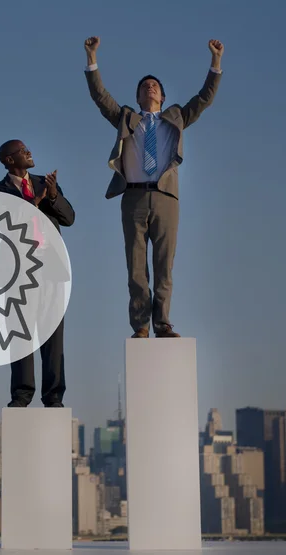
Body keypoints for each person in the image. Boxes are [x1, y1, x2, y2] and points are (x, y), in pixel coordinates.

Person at [83, 36, 224, 338]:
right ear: (137, 97)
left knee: (164, 264)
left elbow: (204, 98)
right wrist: (92, 57)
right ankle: (141, 326)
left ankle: (163, 322)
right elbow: (100, 96)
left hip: (165, 197)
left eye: (155, 86)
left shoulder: (176, 117)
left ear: (162, 96)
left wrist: (215, 62)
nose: (150, 87)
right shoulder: (126, 118)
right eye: (144, 86)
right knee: (136, 266)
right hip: (132, 195)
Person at [0, 140, 75, 407]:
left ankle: (53, 397)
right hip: (18, 274)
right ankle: (22, 395)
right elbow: (6, 226)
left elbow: (69, 218)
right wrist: (33, 204)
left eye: (28, 148)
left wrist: (51, 196)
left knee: (53, 335)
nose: (29, 152)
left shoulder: (44, 183)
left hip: (49, 270)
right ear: (9, 160)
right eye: (22, 150)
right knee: (20, 335)